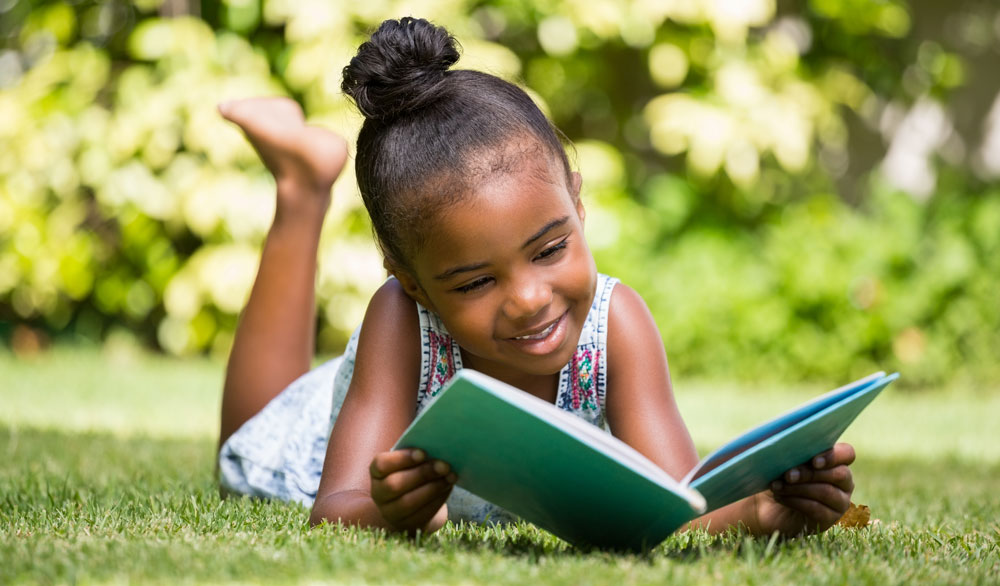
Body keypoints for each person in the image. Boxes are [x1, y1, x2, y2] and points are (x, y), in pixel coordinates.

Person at [216, 16, 857, 538]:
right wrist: (390, 511)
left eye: (549, 250)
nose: (528, 300)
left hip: (365, 394)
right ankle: (301, 190)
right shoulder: (400, 320)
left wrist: (762, 512)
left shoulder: (618, 324)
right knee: (244, 438)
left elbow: (675, 504)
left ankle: (305, 178)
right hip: (318, 435)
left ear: (577, 204)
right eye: (473, 283)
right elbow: (336, 507)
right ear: (408, 277)